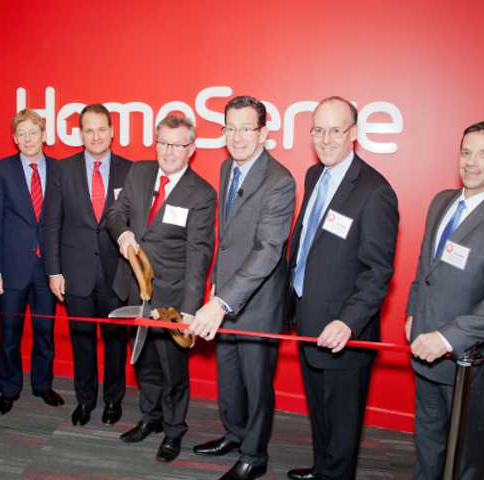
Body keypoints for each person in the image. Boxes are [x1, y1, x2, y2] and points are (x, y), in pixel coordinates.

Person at [406, 121, 484, 480]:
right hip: (423, 350)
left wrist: (446, 337)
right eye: (466, 152)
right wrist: (413, 312)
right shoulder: (441, 201)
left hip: (466, 363)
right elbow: (424, 265)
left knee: (464, 459)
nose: (471, 162)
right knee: (428, 445)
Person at [287, 96, 399, 480]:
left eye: (335, 130)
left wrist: (348, 322)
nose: (326, 139)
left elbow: (377, 272)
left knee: (343, 424)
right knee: (320, 413)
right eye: (318, 130)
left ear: (353, 133)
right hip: (308, 320)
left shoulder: (375, 191)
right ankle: (323, 469)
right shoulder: (314, 175)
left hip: (343, 334)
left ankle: (335, 473)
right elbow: (307, 244)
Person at [188, 95, 296, 480]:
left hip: (257, 302)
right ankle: (234, 435)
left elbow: (268, 252)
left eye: (245, 129)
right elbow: (228, 238)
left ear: (264, 133)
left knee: (256, 382)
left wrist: (221, 302)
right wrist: (216, 284)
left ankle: (255, 454)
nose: (236, 137)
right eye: (229, 128)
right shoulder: (225, 168)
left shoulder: (279, 181)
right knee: (229, 375)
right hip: (226, 294)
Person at [106, 114, 216, 463]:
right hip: (134, 292)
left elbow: (199, 254)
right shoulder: (138, 172)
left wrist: (190, 308)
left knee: (172, 371)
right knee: (144, 363)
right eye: (163, 143)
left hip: (171, 298)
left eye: (177, 145)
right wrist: (121, 232)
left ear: (191, 148)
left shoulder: (201, 193)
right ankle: (149, 419)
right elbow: (114, 213)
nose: (168, 152)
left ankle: (173, 431)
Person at [44, 104, 132, 426]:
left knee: (114, 342)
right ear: (81, 134)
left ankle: (113, 400)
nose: (95, 136)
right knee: (81, 341)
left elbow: (134, 224)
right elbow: (51, 224)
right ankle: (85, 400)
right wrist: (53, 271)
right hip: (75, 274)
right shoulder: (63, 170)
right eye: (89, 130)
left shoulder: (130, 170)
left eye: (101, 129)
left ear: (111, 132)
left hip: (116, 274)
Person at [0, 108, 63, 415]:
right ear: (15, 139)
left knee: (45, 331)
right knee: (10, 333)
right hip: (12, 268)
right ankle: (9, 387)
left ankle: (43, 385)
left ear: (43, 134)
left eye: (34, 132)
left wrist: (61, 268)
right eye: (22, 134)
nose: (29, 139)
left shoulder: (60, 170)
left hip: (48, 269)